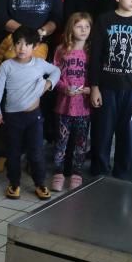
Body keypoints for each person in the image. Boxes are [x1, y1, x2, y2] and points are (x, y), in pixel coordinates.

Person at [88, 0, 132, 179]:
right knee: (102, 132)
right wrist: (94, 86)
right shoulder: (104, 20)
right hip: (106, 86)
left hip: (131, 89)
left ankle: (122, 174)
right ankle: (99, 172)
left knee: (127, 134)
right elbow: (96, 56)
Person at [0, 26, 61, 200]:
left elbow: (56, 71)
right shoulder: (7, 66)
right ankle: (14, 183)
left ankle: (40, 183)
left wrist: (48, 84)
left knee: (36, 152)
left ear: (35, 46)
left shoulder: (39, 64)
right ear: (13, 45)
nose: (22, 48)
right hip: (12, 117)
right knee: (13, 152)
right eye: (18, 43)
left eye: (27, 44)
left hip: (34, 117)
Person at [52, 13, 92, 191]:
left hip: (84, 107)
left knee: (81, 142)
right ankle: (58, 172)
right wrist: (63, 88)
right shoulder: (61, 50)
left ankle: (77, 172)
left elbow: (97, 78)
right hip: (64, 105)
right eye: (79, 26)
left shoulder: (91, 52)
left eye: (87, 27)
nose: (83, 30)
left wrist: (90, 89)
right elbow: (54, 75)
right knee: (61, 141)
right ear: (71, 28)